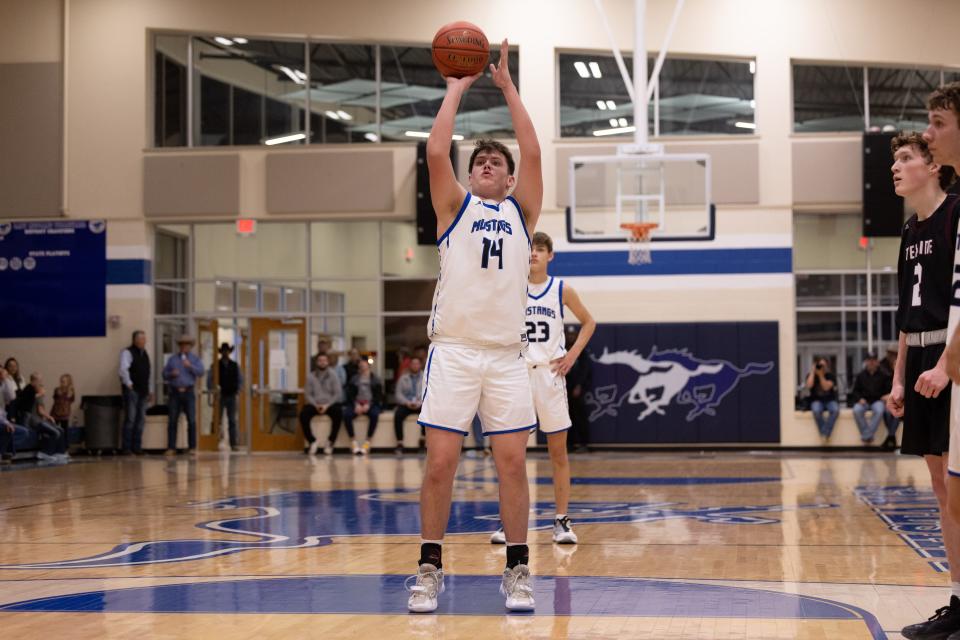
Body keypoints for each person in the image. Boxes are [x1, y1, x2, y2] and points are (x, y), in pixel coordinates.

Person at [407, 39, 542, 614]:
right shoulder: (454, 208)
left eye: (496, 163)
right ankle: (429, 567)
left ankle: (516, 569)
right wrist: (456, 86)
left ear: (509, 181)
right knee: (441, 463)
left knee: (512, 463)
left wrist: (508, 87)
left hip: (507, 356)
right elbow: (438, 151)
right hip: (456, 351)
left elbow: (533, 152)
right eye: (479, 163)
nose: (487, 166)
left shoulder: (519, 212)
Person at [885, 126, 960, 639]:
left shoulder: (957, 213)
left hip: (951, 355)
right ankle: (956, 598)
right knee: (939, 488)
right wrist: (897, 376)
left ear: (933, 165)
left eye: (906, 157)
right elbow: (906, 315)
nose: (895, 166)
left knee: (957, 488)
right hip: (920, 360)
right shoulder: (911, 232)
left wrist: (948, 365)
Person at [490, 231, 596, 546]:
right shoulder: (512, 288)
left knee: (558, 452)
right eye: (530, 249)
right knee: (512, 455)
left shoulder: (562, 289)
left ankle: (561, 520)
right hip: (518, 373)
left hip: (549, 376)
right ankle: (506, 520)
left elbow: (590, 322)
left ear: (550, 255)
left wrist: (572, 355)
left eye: (540, 249)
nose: (534, 254)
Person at [162, 335, 205, 455]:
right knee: (172, 420)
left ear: (190, 346)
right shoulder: (172, 359)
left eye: (186, 345)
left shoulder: (195, 359)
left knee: (191, 420)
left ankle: (192, 447)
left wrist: (190, 366)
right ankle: (171, 447)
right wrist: (171, 374)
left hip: (188, 392)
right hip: (175, 392)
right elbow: (164, 374)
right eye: (181, 345)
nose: (183, 347)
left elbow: (201, 372)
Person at [299, 353, 346, 455]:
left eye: (324, 360)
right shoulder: (311, 376)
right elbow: (307, 394)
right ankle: (312, 441)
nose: (322, 362)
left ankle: (330, 442)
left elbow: (337, 393)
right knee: (303, 414)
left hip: (329, 404)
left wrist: (327, 405)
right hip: (315, 404)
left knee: (338, 413)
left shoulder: (333, 375)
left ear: (328, 362)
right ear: (316, 362)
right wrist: (315, 404)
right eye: (320, 360)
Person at [17, 373, 68, 462]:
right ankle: (45, 452)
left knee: (60, 430)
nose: (41, 385)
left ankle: (59, 452)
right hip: (36, 421)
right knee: (56, 432)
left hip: (38, 420)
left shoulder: (34, 395)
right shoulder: (35, 395)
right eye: (40, 382)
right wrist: (49, 417)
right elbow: (40, 411)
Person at [849, 354, 895, 447]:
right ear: (866, 362)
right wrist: (859, 399)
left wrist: (885, 396)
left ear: (877, 362)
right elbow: (855, 391)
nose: (871, 363)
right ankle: (868, 436)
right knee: (856, 410)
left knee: (879, 410)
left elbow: (889, 390)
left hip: (878, 400)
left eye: (873, 360)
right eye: (869, 360)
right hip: (864, 401)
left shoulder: (884, 375)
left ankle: (866, 436)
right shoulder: (860, 375)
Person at [119, 330, 152, 455]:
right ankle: (126, 448)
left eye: (145, 338)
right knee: (131, 419)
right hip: (132, 391)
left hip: (143, 391)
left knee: (140, 420)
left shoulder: (145, 354)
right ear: (135, 340)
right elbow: (123, 369)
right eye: (142, 339)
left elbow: (148, 373)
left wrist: (150, 390)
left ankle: (137, 447)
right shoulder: (127, 352)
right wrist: (129, 384)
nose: (144, 341)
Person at [207, 342, 243, 452]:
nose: (225, 353)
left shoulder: (234, 365)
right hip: (220, 396)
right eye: (223, 351)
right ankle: (213, 442)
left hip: (231, 395)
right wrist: (212, 391)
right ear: (221, 352)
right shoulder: (215, 365)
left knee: (232, 420)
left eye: (227, 351)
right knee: (217, 420)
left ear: (229, 352)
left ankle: (233, 444)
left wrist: (238, 390)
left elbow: (240, 380)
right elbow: (210, 379)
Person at [344, 358, 383, 455]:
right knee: (346, 414)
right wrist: (356, 404)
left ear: (368, 367)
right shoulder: (354, 379)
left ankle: (367, 442)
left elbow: (378, 396)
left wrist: (368, 405)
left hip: (370, 404)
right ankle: (353, 442)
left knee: (374, 414)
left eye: (364, 366)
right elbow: (350, 395)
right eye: (361, 366)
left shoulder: (375, 379)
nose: (362, 368)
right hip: (356, 404)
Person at [565, 327, 593, 453]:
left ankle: (584, 444)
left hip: (578, 391)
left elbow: (586, 371)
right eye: (569, 334)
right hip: (564, 390)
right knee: (566, 418)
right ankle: (569, 444)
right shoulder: (561, 350)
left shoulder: (582, 351)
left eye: (573, 334)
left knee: (581, 417)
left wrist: (579, 386)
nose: (571, 337)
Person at [393, 355, 424, 455]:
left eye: (417, 363)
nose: (415, 365)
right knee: (398, 415)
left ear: (420, 365)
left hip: (421, 404)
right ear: (410, 365)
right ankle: (400, 443)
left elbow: (430, 392)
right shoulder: (403, 378)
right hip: (407, 404)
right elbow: (398, 394)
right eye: (413, 364)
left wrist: (420, 402)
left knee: (428, 414)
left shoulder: (426, 377)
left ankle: (423, 441)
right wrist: (407, 402)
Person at [805, 357, 839, 444]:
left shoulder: (831, 376)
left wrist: (821, 375)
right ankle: (826, 434)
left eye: (823, 365)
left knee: (835, 410)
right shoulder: (811, 375)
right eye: (820, 365)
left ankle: (824, 434)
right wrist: (813, 372)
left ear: (827, 366)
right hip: (816, 400)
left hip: (830, 400)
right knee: (816, 411)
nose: (821, 367)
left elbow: (826, 387)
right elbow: (808, 386)